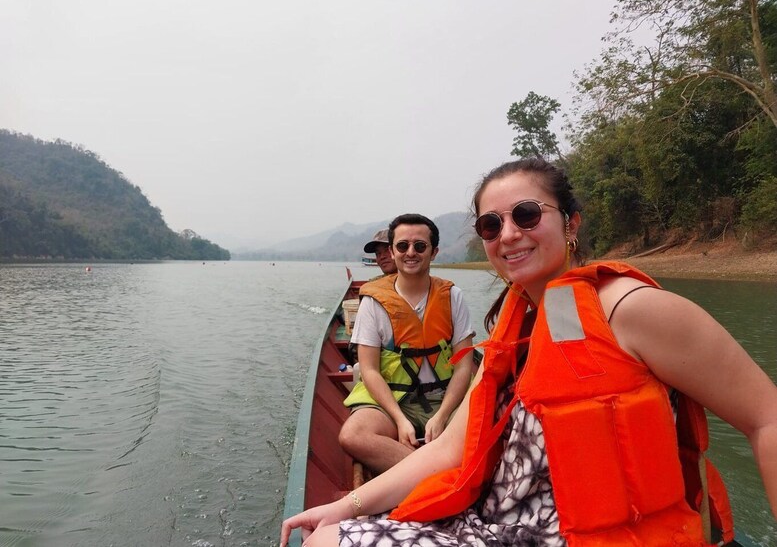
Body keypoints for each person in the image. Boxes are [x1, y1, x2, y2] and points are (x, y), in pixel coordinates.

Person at [281, 158, 777, 547]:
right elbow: (453, 449)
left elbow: (766, 417)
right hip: (499, 527)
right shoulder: (518, 325)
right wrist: (348, 505)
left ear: (571, 222)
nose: (509, 234)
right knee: (326, 536)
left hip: (595, 537)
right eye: (491, 226)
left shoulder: (632, 310)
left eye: (526, 215)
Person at [339, 213, 475, 475]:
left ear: (433, 252)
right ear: (393, 250)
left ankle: (419, 471)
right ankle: (439, 474)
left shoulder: (452, 296)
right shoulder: (373, 302)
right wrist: (400, 420)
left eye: (420, 246)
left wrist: (443, 415)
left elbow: (464, 366)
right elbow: (369, 370)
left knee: (490, 427)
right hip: (395, 401)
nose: (410, 252)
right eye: (402, 246)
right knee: (353, 435)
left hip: (445, 398)